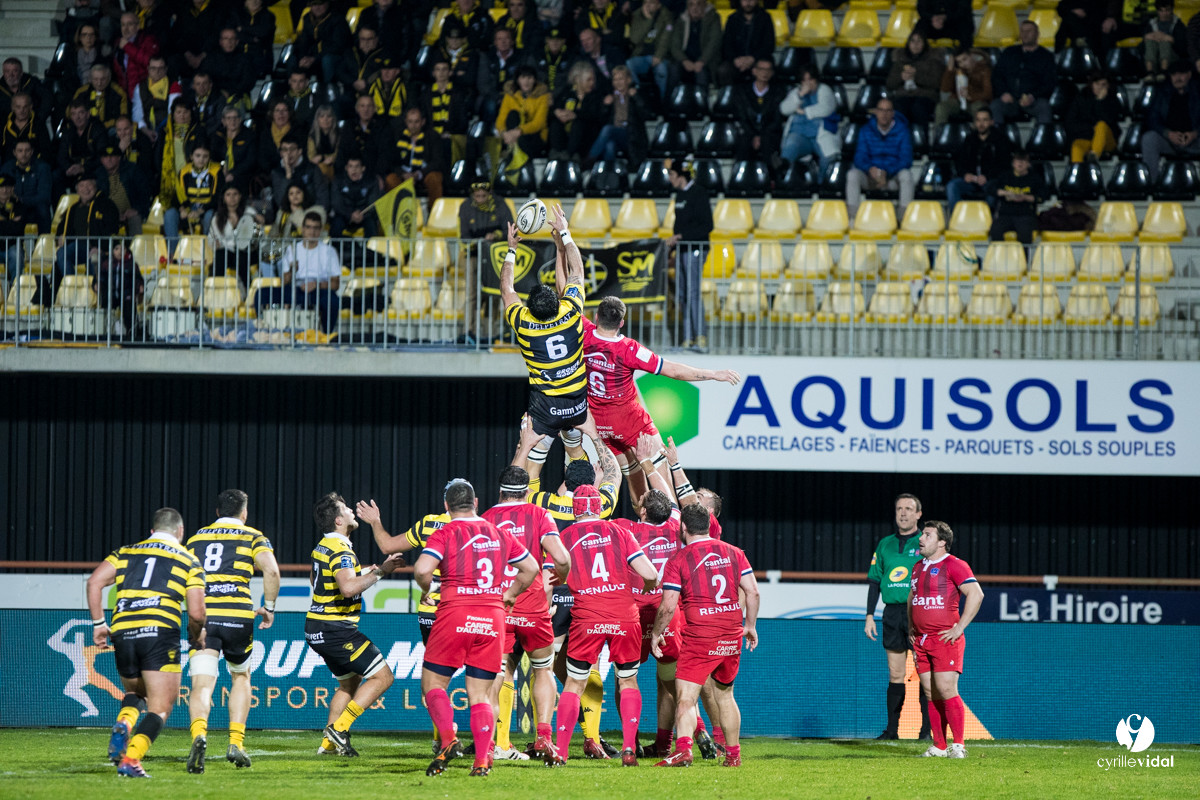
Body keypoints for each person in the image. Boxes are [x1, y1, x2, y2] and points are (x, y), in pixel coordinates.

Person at [415, 478, 539, 776]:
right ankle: (483, 759)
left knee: (433, 685)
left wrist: (427, 590)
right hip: (492, 617)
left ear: (447, 507)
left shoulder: (445, 532)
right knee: (480, 694)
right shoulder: (498, 533)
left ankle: (448, 740)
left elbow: (422, 569)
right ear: (477, 503)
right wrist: (510, 594)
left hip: (454, 614)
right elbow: (532, 568)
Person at [86, 507, 206, 778]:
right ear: (181, 532)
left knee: (136, 693)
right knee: (161, 707)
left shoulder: (125, 552)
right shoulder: (188, 558)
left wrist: (98, 624)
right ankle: (132, 759)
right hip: (159, 631)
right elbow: (197, 613)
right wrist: (196, 635)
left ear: (152, 531)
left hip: (124, 630)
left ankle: (124, 725)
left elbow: (94, 582)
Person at [584, 295, 740, 498]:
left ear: (596, 317)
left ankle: (644, 522)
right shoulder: (630, 349)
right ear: (622, 322)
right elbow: (674, 371)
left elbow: (568, 294)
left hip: (598, 422)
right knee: (661, 477)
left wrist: (564, 262)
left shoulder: (584, 332)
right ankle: (670, 525)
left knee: (633, 477)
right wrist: (713, 374)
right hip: (629, 421)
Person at [548, 481, 659, 766]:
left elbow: (550, 577)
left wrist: (548, 601)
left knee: (574, 683)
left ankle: (560, 752)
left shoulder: (565, 536)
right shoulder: (620, 532)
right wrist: (646, 586)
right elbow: (650, 573)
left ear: (574, 509)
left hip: (587, 617)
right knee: (629, 680)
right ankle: (629, 748)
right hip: (625, 616)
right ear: (599, 508)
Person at [652, 504, 759, 768]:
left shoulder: (679, 559)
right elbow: (753, 592)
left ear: (683, 527)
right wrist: (752, 626)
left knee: (686, 697)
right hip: (731, 634)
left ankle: (683, 751)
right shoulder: (735, 553)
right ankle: (733, 756)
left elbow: (667, 606)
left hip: (700, 636)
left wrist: (656, 633)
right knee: (726, 696)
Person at [481, 457, 571, 762]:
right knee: (543, 669)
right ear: (526, 492)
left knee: (498, 671)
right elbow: (561, 557)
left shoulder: (486, 518)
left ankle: (493, 741)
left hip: (499, 606)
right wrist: (563, 576)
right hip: (533, 606)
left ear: (501, 491)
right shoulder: (539, 514)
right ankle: (544, 736)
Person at [184, 489, 280, 773]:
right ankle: (236, 742)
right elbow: (271, 571)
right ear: (244, 513)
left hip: (206, 617)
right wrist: (269, 607)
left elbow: (185, 579)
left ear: (217, 512)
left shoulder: (196, 539)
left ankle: (199, 735)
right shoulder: (253, 536)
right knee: (240, 676)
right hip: (238, 617)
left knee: (202, 684)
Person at [306, 492, 406, 756]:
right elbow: (348, 588)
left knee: (349, 685)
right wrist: (381, 571)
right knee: (383, 677)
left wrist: (367, 572)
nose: (352, 511)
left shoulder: (323, 546)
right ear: (339, 520)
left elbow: (322, 581)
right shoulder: (340, 548)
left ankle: (328, 746)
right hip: (335, 629)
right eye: (347, 509)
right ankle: (339, 729)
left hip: (317, 627)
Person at [500, 205, 589, 492]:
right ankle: (583, 502)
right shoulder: (571, 311)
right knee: (576, 455)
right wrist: (564, 233)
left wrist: (512, 248)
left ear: (530, 309)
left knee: (532, 464)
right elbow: (577, 272)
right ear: (557, 303)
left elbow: (507, 289)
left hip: (546, 408)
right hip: (577, 403)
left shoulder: (524, 323)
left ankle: (530, 512)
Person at [910, 520, 984, 759]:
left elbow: (976, 593)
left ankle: (959, 746)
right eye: (922, 534)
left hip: (944, 638)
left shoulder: (955, 565)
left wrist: (959, 627)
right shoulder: (917, 567)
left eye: (927, 535)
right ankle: (939, 746)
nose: (921, 538)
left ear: (942, 542)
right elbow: (911, 597)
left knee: (946, 688)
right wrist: (911, 626)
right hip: (921, 639)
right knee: (930, 692)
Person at [864, 493, 931, 741]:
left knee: (924, 672)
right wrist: (870, 614)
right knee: (895, 674)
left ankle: (926, 731)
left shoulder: (926, 543)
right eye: (899, 508)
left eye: (908, 508)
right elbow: (874, 581)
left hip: (919, 613)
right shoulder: (885, 544)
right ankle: (892, 731)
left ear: (918, 514)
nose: (903, 513)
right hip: (891, 613)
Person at [258, 210, 341, 332]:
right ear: (302, 229)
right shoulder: (292, 249)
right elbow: (284, 281)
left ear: (320, 230)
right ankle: (261, 331)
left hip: (319, 290)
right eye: (308, 227)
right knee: (261, 294)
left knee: (333, 300)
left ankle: (325, 335)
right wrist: (292, 271)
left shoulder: (329, 251)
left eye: (316, 228)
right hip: (296, 289)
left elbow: (335, 284)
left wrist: (317, 285)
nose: (311, 231)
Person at [667, 157, 712, 351]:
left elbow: (707, 226)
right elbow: (678, 226)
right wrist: (673, 247)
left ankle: (700, 336)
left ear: (680, 175)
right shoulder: (679, 195)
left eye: (672, 174)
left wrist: (681, 237)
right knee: (683, 293)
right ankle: (687, 338)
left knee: (693, 292)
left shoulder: (699, 193)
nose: (670, 178)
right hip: (682, 250)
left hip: (695, 249)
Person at [846, 98, 914, 223]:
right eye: (881, 110)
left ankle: (904, 219)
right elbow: (859, 157)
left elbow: (906, 159)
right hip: (871, 177)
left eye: (888, 111)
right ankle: (853, 219)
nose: (884, 114)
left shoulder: (903, 131)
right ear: (876, 112)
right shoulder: (866, 130)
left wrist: (886, 172)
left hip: (891, 178)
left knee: (907, 175)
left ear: (893, 113)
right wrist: (870, 169)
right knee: (852, 174)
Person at [54, 175, 119, 287]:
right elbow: (61, 229)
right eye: (82, 186)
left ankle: (91, 290)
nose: (86, 189)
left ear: (95, 187)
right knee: (61, 252)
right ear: (77, 190)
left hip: (97, 247)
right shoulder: (72, 209)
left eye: (89, 185)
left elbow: (113, 229)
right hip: (77, 247)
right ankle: (73, 285)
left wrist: (101, 247)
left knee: (94, 258)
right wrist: (60, 237)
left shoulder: (107, 205)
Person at [1140, 61, 1200, 183]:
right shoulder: (1162, 92)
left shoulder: (1198, 90)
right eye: (1174, 75)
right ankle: (1151, 186)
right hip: (1170, 141)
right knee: (1149, 138)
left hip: (1195, 139)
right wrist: (1168, 134)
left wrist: (1195, 133)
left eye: (1181, 74)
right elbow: (1152, 118)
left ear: (1189, 74)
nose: (1177, 78)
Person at [990, 20, 1056, 128]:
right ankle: (998, 141)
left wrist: (1033, 96)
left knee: (1044, 107)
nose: (1025, 34)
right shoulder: (1009, 52)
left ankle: (1042, 141)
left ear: (1037, 34)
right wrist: (1003, 93)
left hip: (1034, 100)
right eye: (1022, 31)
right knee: (995, 106)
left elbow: (1049, 83)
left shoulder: (1046, 56)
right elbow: (997, 76)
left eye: (1029, 31)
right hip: (1010, 99)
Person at [946, 107, 1010, 213]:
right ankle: (956, 219)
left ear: (991, 122)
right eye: (978, 120)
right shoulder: (969, 139)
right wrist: (965, 174)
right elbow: (960, 161)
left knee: (992, 190)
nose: (981, 124)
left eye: (985, 120)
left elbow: (1004, 165)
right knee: (952, 186)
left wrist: (987, 177)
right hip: (971, 180)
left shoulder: (1001, 140)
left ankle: (989, 222)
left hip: (990, 180)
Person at [165, 141, 223, 253]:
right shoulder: (183, 172)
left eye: (205, 156)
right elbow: (176, 197)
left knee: (209, 216)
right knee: (170, 214)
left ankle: (208, 251)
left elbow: (217, 198)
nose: (201, 159)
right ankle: (174, 253)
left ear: (209, 157)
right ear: (191, 156)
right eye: (198, 156)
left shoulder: (216, 171)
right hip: (189, 209)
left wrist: (200, 211)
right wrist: (182, 209)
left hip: (207, 209)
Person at [779, 67, 841, 173]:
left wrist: (803, 111)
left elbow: (826, 108)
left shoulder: (825, 89)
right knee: (789, 149)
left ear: (816, 79)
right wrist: (800, 95)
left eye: (810, 79)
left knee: (828, 158)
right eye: (804, 80)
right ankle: (781, 178)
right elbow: (784, 109)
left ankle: (822, 186)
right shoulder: (797, 92)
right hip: (800, 135)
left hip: (821, 135)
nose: (808, 83)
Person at [586, 66, 650, 166]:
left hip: (631, 135)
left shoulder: (636, 95)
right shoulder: (609, 97)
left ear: (628, 80)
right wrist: (605, 107)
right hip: (615, 134)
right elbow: (600, 121)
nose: (618, 82)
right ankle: (609, 174)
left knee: (608, 129)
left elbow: (646, 114)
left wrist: (636, 98)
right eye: (615, 79)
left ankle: (589, 160)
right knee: (609, 145)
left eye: (621, 79)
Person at [664, 0, 722, 100]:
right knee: (673, 69)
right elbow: (674, 45)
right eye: (691, 4)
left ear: (704, 5)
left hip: (705, 60)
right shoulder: (681, 20)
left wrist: (701, 61)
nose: (695, 8)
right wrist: (684, 60)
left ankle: (702, 109)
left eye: (698, 4)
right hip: (685, 59)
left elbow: (713, 43)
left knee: (701, 73)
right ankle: (669, 106)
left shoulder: (713, 18)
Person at [548, 62, 605, 162]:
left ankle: (571, 155)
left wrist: (575, 115)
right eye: (588, 80)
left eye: (593, 79)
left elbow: (596, 116)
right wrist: (557, 112)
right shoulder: (566, 93)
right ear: (577, 80)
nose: (592, 83)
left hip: (586, 137)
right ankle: (558, 153)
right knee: (555, 124)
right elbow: (553, 110)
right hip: (566, 134)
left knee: (578, 124)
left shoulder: (596, 96)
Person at [887, 31, 945, 130]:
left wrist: (916, 77)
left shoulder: (933, 60)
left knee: (918, 108)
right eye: (912, 41)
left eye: (919, 41)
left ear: (924, 44)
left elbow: (936, 83)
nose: (915, 44)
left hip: (925, 96)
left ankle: (921, 142)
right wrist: (901, 77)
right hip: (903, 96)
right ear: (908, 44)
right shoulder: (900, 60)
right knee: (898, 109)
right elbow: (889, 84)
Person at [732, 59, 785, 165]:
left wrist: (761, 136)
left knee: (768, 142)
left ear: (772, 73)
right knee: (743, 142)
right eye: (761, 69)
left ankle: (771, 178)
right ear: (754, 71)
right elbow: (742, 117)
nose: (765, 73)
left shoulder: (778, 93)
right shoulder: (742, 91)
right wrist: (754, 135)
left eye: (768, 70)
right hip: (748, 132)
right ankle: (740, 176)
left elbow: (776, 119)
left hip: (769, 133)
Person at [423, 59, 475, 167]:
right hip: (431, 135)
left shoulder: (458, 93)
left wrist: (449, 132)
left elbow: (462, 120)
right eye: (438, 69)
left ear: (450, 72)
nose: (441, 73)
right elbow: (424, 118)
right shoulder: (426, 93)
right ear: (433, 73)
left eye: (444, 69)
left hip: (452, 136)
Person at [988, 150, 1045, 246]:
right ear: (1013, 163)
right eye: (1018, 160)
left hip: (1025, 215)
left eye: (1023, 161)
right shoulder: (1005, 176)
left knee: (1025, 233)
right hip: (1005, 214)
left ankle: (1024, 260)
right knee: (995, 231)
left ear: (1028, 164)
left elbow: (1043, 196)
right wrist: (1005, 193)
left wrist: (1025, 197)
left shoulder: (1035, 179)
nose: (1020, 163)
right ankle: (998, 259)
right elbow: (991, 189)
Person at [386, 107, 444, 201]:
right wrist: (403, 174)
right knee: (390, 179)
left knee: (435, 178)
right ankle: (395, 213)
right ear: (405, 122)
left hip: (424, 173)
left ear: (423, 122)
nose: (413, 125)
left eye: (416, 121)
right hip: (403, 174)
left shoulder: (433, 136)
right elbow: (391, 162)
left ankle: (433, 212)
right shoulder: (397, 136)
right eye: (410, 121)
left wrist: (418, 174)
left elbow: (437, 161)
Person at [1065, 72, 1122, 163]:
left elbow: (1109, 120)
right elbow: (1071, 124)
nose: (1099, 87)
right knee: (1076, 146)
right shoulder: (1080, 99)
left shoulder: (1112, 100)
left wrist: (1100, 101)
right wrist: (1091, 129)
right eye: (1097, 84)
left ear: (1108, 86)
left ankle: (1094, 157)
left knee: (1101, 125)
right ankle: (1078, 173)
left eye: (1103, 85)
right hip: (1087, 138)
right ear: (1091, 84)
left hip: (1107, 142)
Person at [209, 183, 260, 283]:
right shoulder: (217, 218)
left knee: (241, 257)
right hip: (227, 252)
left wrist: (259, 221)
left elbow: (257, 232)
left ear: (240, 196)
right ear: (223, 198)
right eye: (228, 195)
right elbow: (211, 237)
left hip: (248, 252)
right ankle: (215, 288)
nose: (232, 197)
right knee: (220, 255)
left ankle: (249, 290)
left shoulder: (250, 212)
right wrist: (215, 244)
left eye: (235, 194)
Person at [497, 65, 550, 160]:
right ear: (518, 80)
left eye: (529, 78)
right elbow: (501, 119)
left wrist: (519, 131)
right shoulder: (510, 95)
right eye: (523, 78)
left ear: (534, 80)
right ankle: (513, 151)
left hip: (535, 135)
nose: (526, 82)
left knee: (522, 140)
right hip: (512, 135)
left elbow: (539, 123)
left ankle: (515, 155)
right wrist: (504, 133)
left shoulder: (542, 96)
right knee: (513, 114)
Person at [290, 0, 351, 84]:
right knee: (292, 58)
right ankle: (293, 89)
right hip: (314, 56)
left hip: (333, 56)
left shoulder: (337, 19)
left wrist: (315, 58)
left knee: (327, 60)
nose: (317, 8)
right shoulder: (307, 18)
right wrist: (303, 57)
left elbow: (338, 46)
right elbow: (303, 42)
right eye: (314, 4)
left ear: (327, 3)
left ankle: (329, 89)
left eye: (320, 4)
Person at [95, 144, 150, 237]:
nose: (109, 159)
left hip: (130, 212)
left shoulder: (133, 170)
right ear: (101, 160)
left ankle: (133, 250)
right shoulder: (97, 175)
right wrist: (112, 214)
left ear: (119, 158)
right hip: (107, 214)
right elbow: (96, 200)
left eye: (112, 156)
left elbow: (145, 194)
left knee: (135, 219)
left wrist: (136, 210)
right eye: (105, 157)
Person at [718, 0, 775, 86]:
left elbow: (769, 45)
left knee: (765, 69)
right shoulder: (732, 18)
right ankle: (728, 97)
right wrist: (735, 60)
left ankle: (762, 97)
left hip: (758, 59)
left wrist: (753, 58)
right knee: (724, 70)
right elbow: (726, 45)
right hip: (736, 60)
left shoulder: (765, 18)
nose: (748, 3)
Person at [934, 47, 992, 129]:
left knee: (978, 108)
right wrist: (949, 70)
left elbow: (988, 93)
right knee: (941, 107)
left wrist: (970, 96)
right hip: (958, 101)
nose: (963, 64)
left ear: (971, 56)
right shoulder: (957, 70)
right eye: (959, 62)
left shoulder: (984, 70)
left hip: (976, 101)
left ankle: (978, 138)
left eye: (965, 59)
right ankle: (940, 137)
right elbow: (945, 89)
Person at [1, 140, 53, 232]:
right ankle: (9, 244)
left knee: (43, 209)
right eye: (20, 151)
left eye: (27, 150)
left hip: (33, 207)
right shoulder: (7, 167)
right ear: (14, 152)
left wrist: (21, 200)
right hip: (14, 206)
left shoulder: (42, 168)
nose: (23, 154)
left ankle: (42, 244)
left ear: (32, 152)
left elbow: (44, 196)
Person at [625, 0, 672, 100]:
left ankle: (661, 101)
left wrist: (659, 56)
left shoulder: (666, 15)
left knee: (661, 70)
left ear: (658, 5)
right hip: (641, 56)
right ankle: (639, 97)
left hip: (660, 56)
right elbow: (635, 39)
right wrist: (648, 20)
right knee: (629, 65)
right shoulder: (637, 15)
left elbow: (666, 38)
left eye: (652, 3)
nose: (648, 5)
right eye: (646, 2)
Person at [130, 56, 180, 144]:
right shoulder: (140, 87)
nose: (157, 72)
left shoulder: (174, 85)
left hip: (167, 129)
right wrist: (146, 130)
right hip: (144, 131)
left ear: (166, 69)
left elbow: (173, 113)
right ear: (148, 69)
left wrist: (160, 131)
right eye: (153, 68)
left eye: (161, 68)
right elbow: (137, 114)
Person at [205, 28, 257, 108]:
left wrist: (230, 92)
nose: (229, 42)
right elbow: (207, 79)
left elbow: (248, 81)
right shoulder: (211, 59)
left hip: (238, 97)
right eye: (226, 38)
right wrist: (220, 92)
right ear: (220, 42)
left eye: (232, 39)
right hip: (215, 96)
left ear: (237, 41)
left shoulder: (246, 59)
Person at [113, 11, 159, 99]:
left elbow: (151, 62)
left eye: (129, 24)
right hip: (126, 94)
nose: (125, 29)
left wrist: (128, 47)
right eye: (123, 25)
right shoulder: (117, 43)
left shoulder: (148, 40)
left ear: (138, 26)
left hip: (145, 93)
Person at [213, 105, 257, 191]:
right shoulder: (218, 135)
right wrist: (221, 169)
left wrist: (233, 174)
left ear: (240, 119)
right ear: (223, 121)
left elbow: (250, 160)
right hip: (220, 172)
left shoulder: (249, 135)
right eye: (229, 118)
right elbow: (214, 155)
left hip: (242, 175)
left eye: (235, 117)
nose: (232, 121)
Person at [78, 66, 132, 135]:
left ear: (109, 78)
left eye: (103, 79)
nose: (99, 83)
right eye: (96, 79)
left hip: (109, 130)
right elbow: (71, 113)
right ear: (91, 79)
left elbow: (123, 117)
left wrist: (101, 127)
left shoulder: (119, 94)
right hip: (86, 129)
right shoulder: (82, 92)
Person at [0, 175, 32, 288]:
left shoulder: (19, 206)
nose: (4, 190)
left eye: (7, 187)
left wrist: (4, 224)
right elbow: (13, 227)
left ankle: (14, 292)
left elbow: (18, 229)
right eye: (1, 187)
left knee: (16, 255)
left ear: (13, 189)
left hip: (12, 246)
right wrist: (11, 223)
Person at [1143, 1, 1188, 80]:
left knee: (1165, 42)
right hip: (1155, 54)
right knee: (1150, 42)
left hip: (1173, 56)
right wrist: (1147, 37)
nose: (1164, 13)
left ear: (1172, 10)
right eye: (1161, 10)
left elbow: (1184, 47)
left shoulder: (1177, 24)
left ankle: (1164, 71)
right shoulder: (1151, 24)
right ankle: (1150, 72)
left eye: (1167, 10)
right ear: (1157, 11)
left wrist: (1171, 39)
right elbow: (1142, 46)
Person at [1, 92, 48, 167]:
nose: (22, 110)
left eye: (25, 107)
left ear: (31, 107)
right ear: (12, 107)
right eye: (18, 107)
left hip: (34, 167)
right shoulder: (3, 125)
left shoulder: (39, 125)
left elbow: (46, 150)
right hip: (9, 167)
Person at [307, 105, 339, 182]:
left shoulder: (339, 134)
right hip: (318, 168)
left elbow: (338, 153)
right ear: (317, 119)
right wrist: (324, 159)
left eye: (329, 116)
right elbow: (311, 157)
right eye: (322, 116)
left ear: (333, 119)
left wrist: (322, 157)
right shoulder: (312, 136)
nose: (325, 119)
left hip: (337, 167)